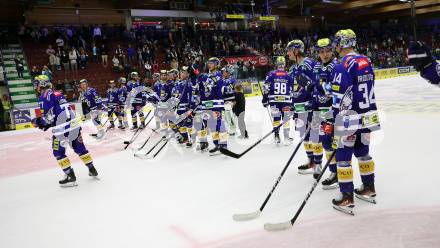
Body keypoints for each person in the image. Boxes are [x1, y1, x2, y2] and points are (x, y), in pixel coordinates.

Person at [329, 29, 380, 214]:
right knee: (363, 152)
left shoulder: (342, 65)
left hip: (350, 118)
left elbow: (340, 96)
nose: (335, 45)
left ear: (342, 43)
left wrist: (334, 119)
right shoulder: (366, 60)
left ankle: (347, 197)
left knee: (343, 157)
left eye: (336, 42)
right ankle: (368, 188)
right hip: (368, 116)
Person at [32, 75, 98, 187]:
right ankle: (92, 169)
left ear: (42, 84)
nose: (35, 86)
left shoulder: (43, 97)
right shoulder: (58, 93)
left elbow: (48, 118)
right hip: (74, 125)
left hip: (61, 130)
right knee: (80, 149)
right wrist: (48, 124)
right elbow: (59, 112)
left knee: (58, 153)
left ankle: (70, 176)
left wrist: (38, 122)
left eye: (37, 83)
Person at [285, 39, 318, 175]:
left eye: (289, 50)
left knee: (314, 135)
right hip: (299, 108)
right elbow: (295, 89)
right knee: (304, 135)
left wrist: (315, 101)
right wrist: (292, 105)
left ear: (296, 50)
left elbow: (317, 84)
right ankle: (311, 160)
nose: (287, 53)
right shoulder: (293, 68)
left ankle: (318, 163)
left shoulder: (310, 64)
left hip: (310, 107)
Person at [310, 38, 338, 186]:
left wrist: (316, 87)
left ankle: (336, 172)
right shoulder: (316, 67)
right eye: (322, 52)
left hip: (331, 111)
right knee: (324, 141)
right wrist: (313, 103)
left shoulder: (335, 66)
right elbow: (316, 89)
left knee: (328, 141)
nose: (325, 54)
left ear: (332, 51)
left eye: (327, 51)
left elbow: (333, 89)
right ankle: (334, 171)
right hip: (319, 111)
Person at [195, 57, 228, 155]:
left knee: (219, 124)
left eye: (212, 63)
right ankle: (217, 144)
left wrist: (199, 73)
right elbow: (199, 87)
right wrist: (195, 72)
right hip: (206, 104)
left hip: (216, 103)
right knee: (211, 126)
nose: (209, 64)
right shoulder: (206, 75)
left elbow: (215, 82)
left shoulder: (218, 74)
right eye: (208, 63)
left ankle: (224, 145)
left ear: (216, 64)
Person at [262, 56, 295, 145]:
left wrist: (265, 99)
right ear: (284, 64)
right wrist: (292, 102)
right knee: (286, 119)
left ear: (276, 64)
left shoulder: (271, 74)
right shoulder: (288, 75)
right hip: (286, 101)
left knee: (276, 118)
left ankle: (276, 136)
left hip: (274, 100)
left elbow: (265, 87)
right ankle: (287, 138)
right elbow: (292, 90)